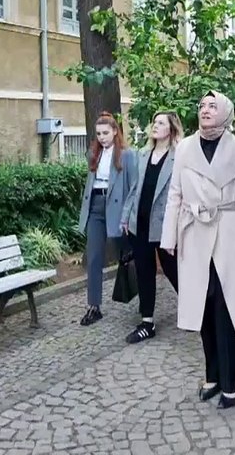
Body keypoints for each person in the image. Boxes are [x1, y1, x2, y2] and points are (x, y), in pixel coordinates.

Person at [160, 91, 235, 409]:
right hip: (196, 235)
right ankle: (213, 375)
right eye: (202, 105)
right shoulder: (186, 148)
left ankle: (233, 382)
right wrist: (169, 238)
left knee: (228, 310)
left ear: (227, 113)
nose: (205, 110)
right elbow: (175, 193)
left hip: (231, 234)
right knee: (203, 309)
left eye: (212, 105)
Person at [120, 111, 183, 344]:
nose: (155, 126)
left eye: (160, 123)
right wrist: (126, 217)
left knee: (173, 270)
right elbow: (135, 188)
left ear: (171, 129)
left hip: (165, 226)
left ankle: (196, 310)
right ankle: (147, 322)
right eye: (154, 122)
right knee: (144, 273)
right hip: (140, 224)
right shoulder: (143, 154)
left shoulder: (179, 156)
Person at [77, 112, 139, 327]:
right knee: (94, 257)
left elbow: (133, 187)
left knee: (131, 252)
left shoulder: (127, 155)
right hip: (96, 206)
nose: (102, 137)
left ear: (115, 131)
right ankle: (94, 306)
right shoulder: (94, 154)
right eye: (98, 134)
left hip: (117, 209)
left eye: (106, 133)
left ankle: (143, 296)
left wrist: (126, 216)